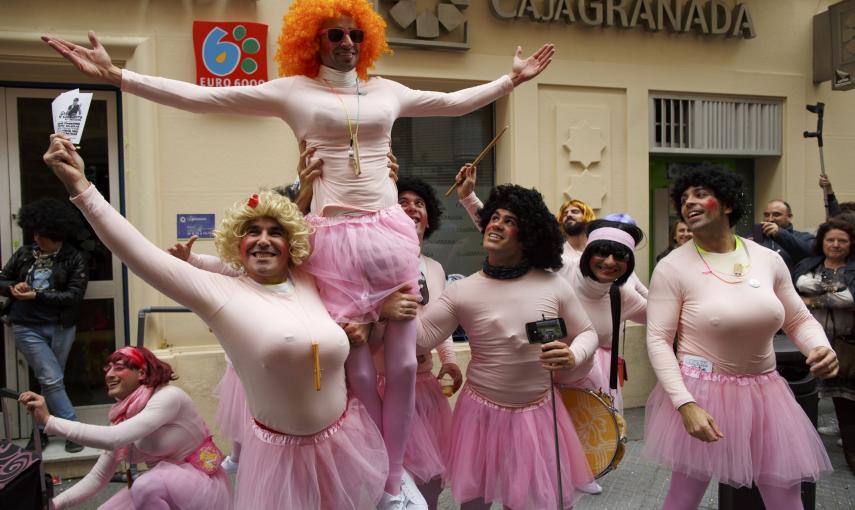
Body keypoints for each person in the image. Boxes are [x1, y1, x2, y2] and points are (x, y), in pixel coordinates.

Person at [43, 4, 553, 504]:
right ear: (314, 40)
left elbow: (456, 103)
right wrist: (120, 77)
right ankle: (374, 467)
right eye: (334, 35)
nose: (346, 43)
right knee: (352, 363)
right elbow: (203, 99)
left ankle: (395, 475)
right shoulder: (293, 91)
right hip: (332, 238)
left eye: (354, 34)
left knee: (399, 365)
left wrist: (509, 82)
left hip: (389, 235)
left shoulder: (388, 91)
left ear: (367, 39)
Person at [42, 134, 395, 509]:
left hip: (343, 441)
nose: (264, 241)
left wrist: (381, 179)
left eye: (275, 232)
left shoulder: (311, 277)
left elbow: (357, 239)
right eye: (252, 232)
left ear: (292, 243)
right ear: (235, 243)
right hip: (280, 459)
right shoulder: (219, 294)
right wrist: (80, 187)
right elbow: (136, 251)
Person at [645, 163, 838, 510]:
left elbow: (799, 319)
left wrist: (819, 347)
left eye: (701, 194)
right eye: (684, 198)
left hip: (766, 393)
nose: (689, 202)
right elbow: (658, 339)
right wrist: (684, 404)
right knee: (683, 498)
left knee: (785, 496)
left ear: (728, 204)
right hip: (700, 392)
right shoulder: (672, 267)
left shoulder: (767, 259)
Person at [399, 184, 599, 510]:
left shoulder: (552, 284)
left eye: (508, 221)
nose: (495, 224)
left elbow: (587, 332)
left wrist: (573, 353)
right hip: (479, 414)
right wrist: (393, 289)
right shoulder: (462, 290)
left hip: (537, 414)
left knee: (530, 502)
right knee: (475, 503)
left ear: (528, 234)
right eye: (494, 217)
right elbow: (421, 339)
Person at [19, 346, 232, 510]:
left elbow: (115, 438)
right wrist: (54, 505)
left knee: (144, 485)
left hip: (202, 485)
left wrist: (49, 421)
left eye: (119, 368)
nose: (109, 374)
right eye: (108, 368)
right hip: (159, 487)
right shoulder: (124, 415)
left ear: (141, 373)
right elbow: (97, 477)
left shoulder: (168, 397)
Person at [370, 176, 462, 510]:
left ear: (429, 217)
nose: (411, 208)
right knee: (391, 482)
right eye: (402, 202)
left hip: (426, 389)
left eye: (418, 204)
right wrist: (382, 313)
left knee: (432, 481)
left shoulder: (435, 268)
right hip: (382, 390)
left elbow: (440, 320)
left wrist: (449, 358)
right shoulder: (375, 265)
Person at [0, 198, 89, 453]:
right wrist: (12, 287)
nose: (37, 239)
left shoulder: (74, 258)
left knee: (50, 380)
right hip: (26, 326)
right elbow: (3, 278)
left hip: (61, 327)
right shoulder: (25, 253)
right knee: (51, 378)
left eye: (43, 236)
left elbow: (73, 295)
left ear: (56, 235)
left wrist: (38, 295)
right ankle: (73, 430)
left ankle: (41, 431)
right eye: (35, 234)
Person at [563, 219, 647, 413]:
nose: (609, 262)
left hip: (598, 388)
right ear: (588, 253)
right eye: (601, 252)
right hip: (550, 386)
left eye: (619, 256)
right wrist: (474, 198)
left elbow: (663, 317)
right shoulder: (562, 270)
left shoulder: (622, 294)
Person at [793, 218, 855, 473]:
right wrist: (833, 290)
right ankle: (800, 459)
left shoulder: (853, 268)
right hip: (811, 346)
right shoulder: (808, 264)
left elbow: (849, 299)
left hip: (847, 347)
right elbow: (799, 284)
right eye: (831, 239)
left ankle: (852, 458)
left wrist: (815, 299)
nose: (836, 245)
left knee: (847, 405)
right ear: (822, 242)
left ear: (851, 243)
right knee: (805, 400)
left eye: (842, 240)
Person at [755, 199, 814, 273]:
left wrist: (780, 233)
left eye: (776, 215)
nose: (770, 219)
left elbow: (809, 252)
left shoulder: (804, 237)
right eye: (766, 215)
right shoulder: (756, 238)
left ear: (789, 217)